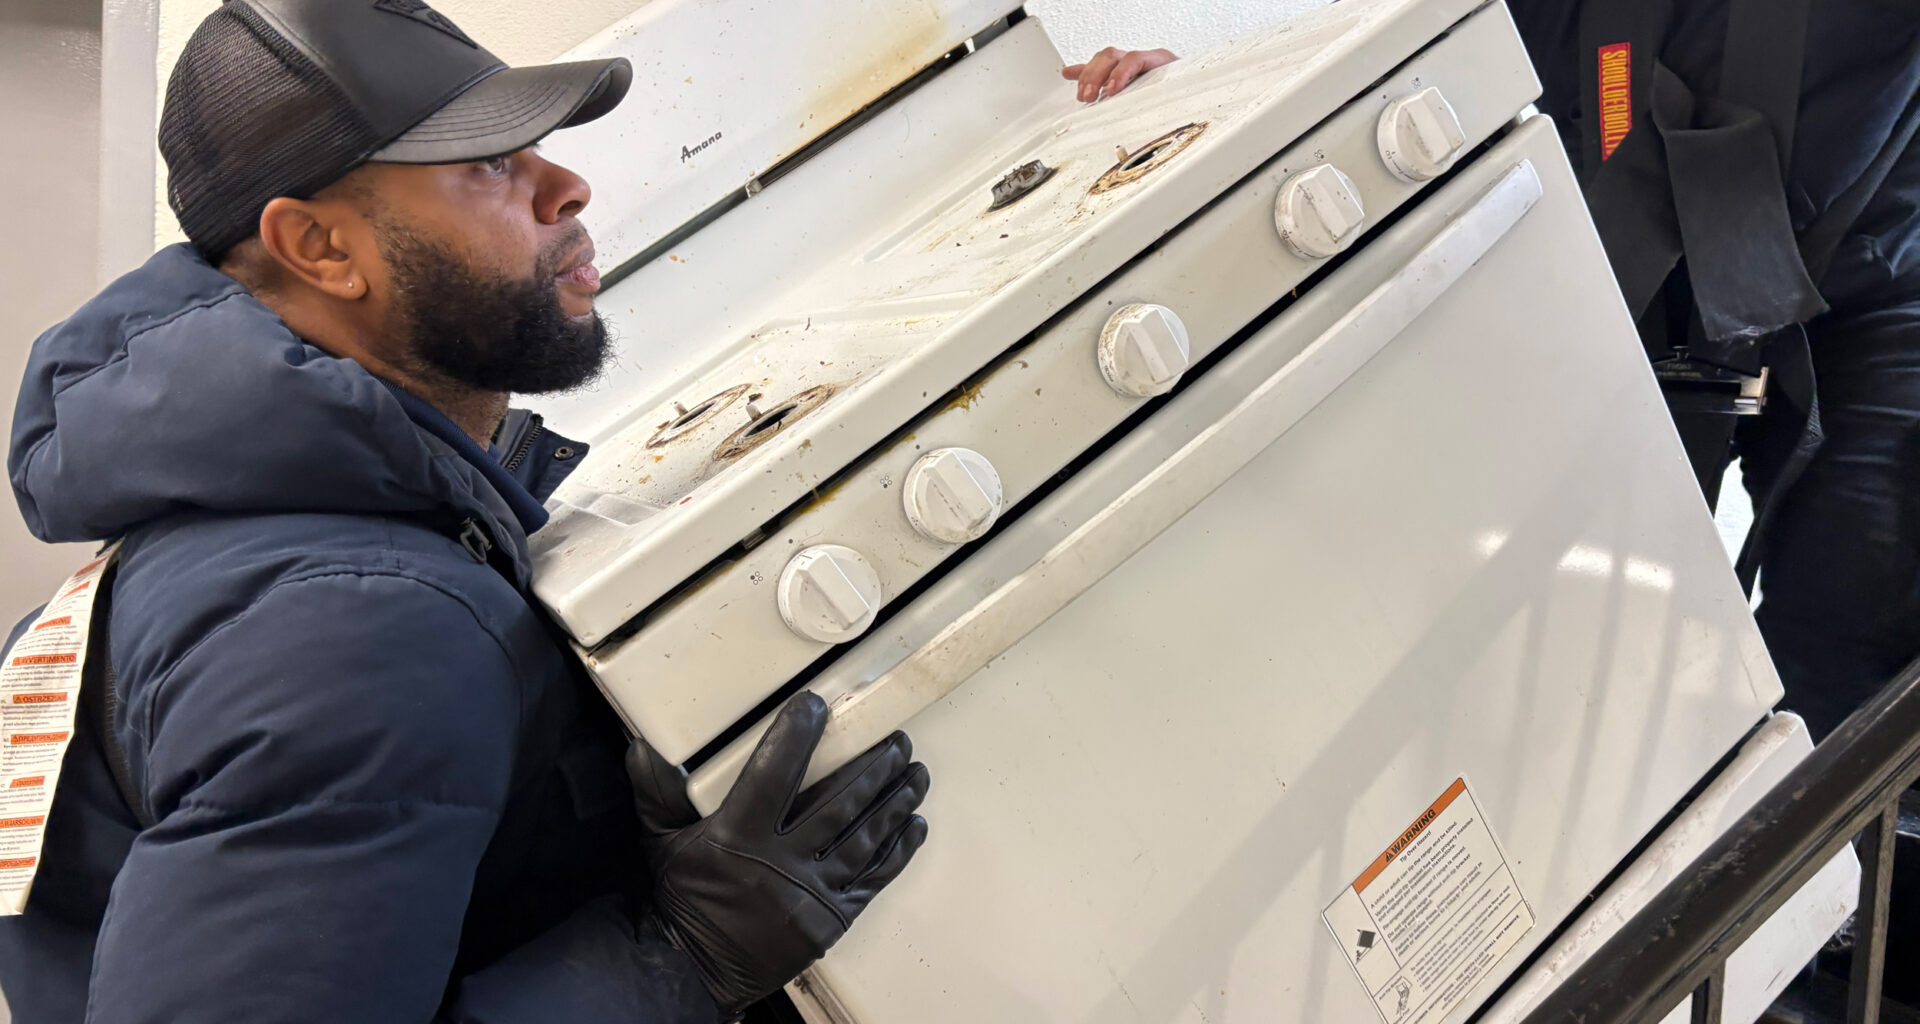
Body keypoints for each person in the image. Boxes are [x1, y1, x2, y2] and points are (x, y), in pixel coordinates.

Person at [0, 2, 930, 1021]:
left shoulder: (308, 531)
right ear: (319, 246)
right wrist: (682, 960)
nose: (566, 186)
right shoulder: (350, 628)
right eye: (489, 164)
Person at [1096, 3, 1920, 743]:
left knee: (1852, 635)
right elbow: (1413, 50)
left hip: (1867, 284)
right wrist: (1222, 109)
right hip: (1628, 286)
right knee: (1566, 661)